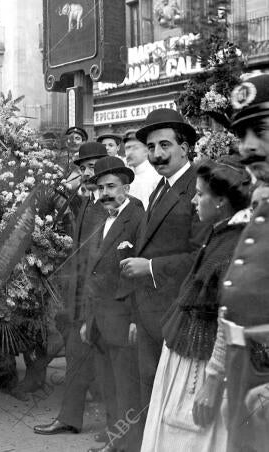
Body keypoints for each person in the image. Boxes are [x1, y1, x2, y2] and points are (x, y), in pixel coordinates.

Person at [141, 157, 250, 452]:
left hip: (203, 367)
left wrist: (213, 383)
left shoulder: (233, 248)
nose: (193, 201)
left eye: (200, 194)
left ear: (222, 202)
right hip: (187, 357)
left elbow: (233, 321)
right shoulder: (219, 235)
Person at [120, 109, 210, 433]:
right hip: (149, 315)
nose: (157, 154)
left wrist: (151, 267)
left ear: (185, 147)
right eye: (152, 147)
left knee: (173, 403)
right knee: (150, 398)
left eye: (165, 145)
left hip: (179, 315)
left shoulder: (198, 188)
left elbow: (203, 257)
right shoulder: (159, 188)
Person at [210, 73, 269, 452]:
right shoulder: (259, 202)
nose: (248, 147)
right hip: (244, 370)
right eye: (242, 134)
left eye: (261, 130)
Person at [33, 142, 109, 437]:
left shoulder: (112, 203)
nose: (88, 172)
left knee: (110, 364)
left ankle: (118, 427)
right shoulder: (88, 200)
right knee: (77, 360)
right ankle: (69, 418)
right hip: (80, 297)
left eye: (93, 166)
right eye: (83, 167)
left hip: (103, 298)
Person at [80, 156, 144, 452]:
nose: (104, 193)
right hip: (99, 317)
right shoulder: (101, 218)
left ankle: (128, 445)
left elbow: (139, 275)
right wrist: (86, 319)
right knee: (108, 385)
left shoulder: (137, 217)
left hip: (123, 316)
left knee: (126, 387)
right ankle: (113, 439)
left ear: (126, 187)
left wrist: (135, 319)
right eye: (100, 187)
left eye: (111, 186)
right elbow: (91, 272)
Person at [123, 130, 161, 209]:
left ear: (146, 150)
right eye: (127, 148)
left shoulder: (156, 176)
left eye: (135, 148)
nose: (129, 153)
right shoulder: (126, 178)